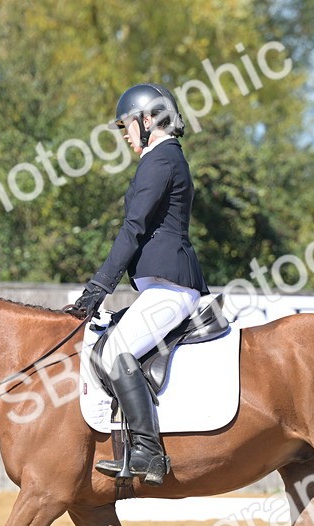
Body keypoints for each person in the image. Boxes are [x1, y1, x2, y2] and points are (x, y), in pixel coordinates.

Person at [65, 83, 209, 486]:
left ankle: (149, 453)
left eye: (127, 124)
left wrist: (99, 287)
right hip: (162, 288)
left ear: (148, 120)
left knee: (117, 351)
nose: (125, 133)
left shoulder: (160, 159)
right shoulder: (164, 159)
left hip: (171, 288)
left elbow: (133, 229)